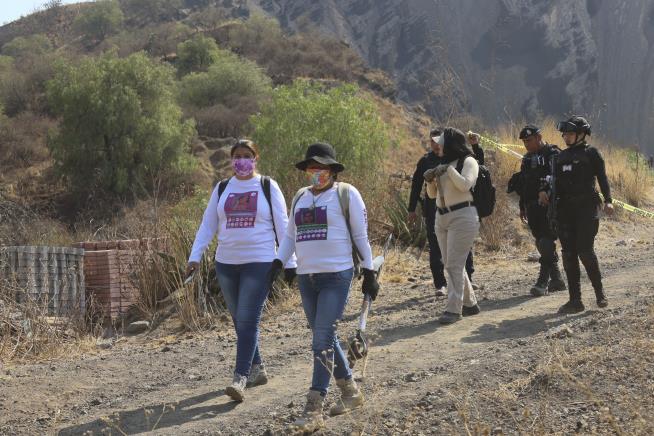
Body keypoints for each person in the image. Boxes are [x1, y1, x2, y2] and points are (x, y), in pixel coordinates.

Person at [270, 142, 379, 432]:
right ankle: (351, 392)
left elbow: (360, 235)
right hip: (307, 278)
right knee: (325, 338)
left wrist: (370, 271)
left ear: (332, 170)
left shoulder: (346, 194)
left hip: (337, 275)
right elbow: (290, 237)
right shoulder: (300, 197)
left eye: (322, 168)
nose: (316, 172)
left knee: (320, 339)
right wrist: (278, 263)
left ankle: (314, 407)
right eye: (312, 168)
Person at [186, 139, 295, 402]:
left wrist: (290, 263)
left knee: (248, 319)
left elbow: (283, 226)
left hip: (259, 262)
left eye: (247, 155)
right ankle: (258, 368)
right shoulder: (223, 188)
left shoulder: (268, 186)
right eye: (237, 156)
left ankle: (240, 377)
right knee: (238, 319)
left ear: (256, 158)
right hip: (226, 264)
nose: (242, 160)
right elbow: (207, 225)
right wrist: (195, 256)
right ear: (231, 160)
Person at [539, 116, 613, 313]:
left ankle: (600, 295)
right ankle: (575, 301)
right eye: (564, 134)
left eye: (570, 133)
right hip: (565, 212)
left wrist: (608, 201)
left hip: (587, 209)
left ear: (581, 134)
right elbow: (553, 182)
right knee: (568, 254)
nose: (565, 137)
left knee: (585, 252)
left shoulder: (592, 153)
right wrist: (546, 191)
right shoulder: (560, 157)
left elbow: (603, 178)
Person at [407, 128, 475, 296]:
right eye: (433, 141)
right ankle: (440, 284)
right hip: (433, 211)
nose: (436, 145)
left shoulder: (458, 161)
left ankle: (468, 283)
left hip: (460, 211)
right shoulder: (425, 161)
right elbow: (417, 185)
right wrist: (411, 209)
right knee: (437, 249)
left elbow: (469, 178)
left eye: (439, 141)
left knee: (462, 247)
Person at [424, 127, 481, 324]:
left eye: (441, 142)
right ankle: (470, 303)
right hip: (442, 218)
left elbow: (465, 185)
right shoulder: (443, 163)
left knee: (454, 265)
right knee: (451, 264)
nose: (437, 146)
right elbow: (432, 195)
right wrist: (430, 180)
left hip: (463, 216)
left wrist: (447, 170)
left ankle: (454, 309)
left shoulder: (469, 161)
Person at [516, 125, 567, 296]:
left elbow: (561, 178)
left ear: (539, 137)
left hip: (550, 206)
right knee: (541, 243)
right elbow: (524, 183)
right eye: (524, 142)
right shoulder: (527, 158)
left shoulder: (553, 154)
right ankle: (558, 280)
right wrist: (522, 206)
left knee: (546, 242)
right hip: (532, 207)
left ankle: (542, 282)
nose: (526, 144)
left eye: (529, 140)